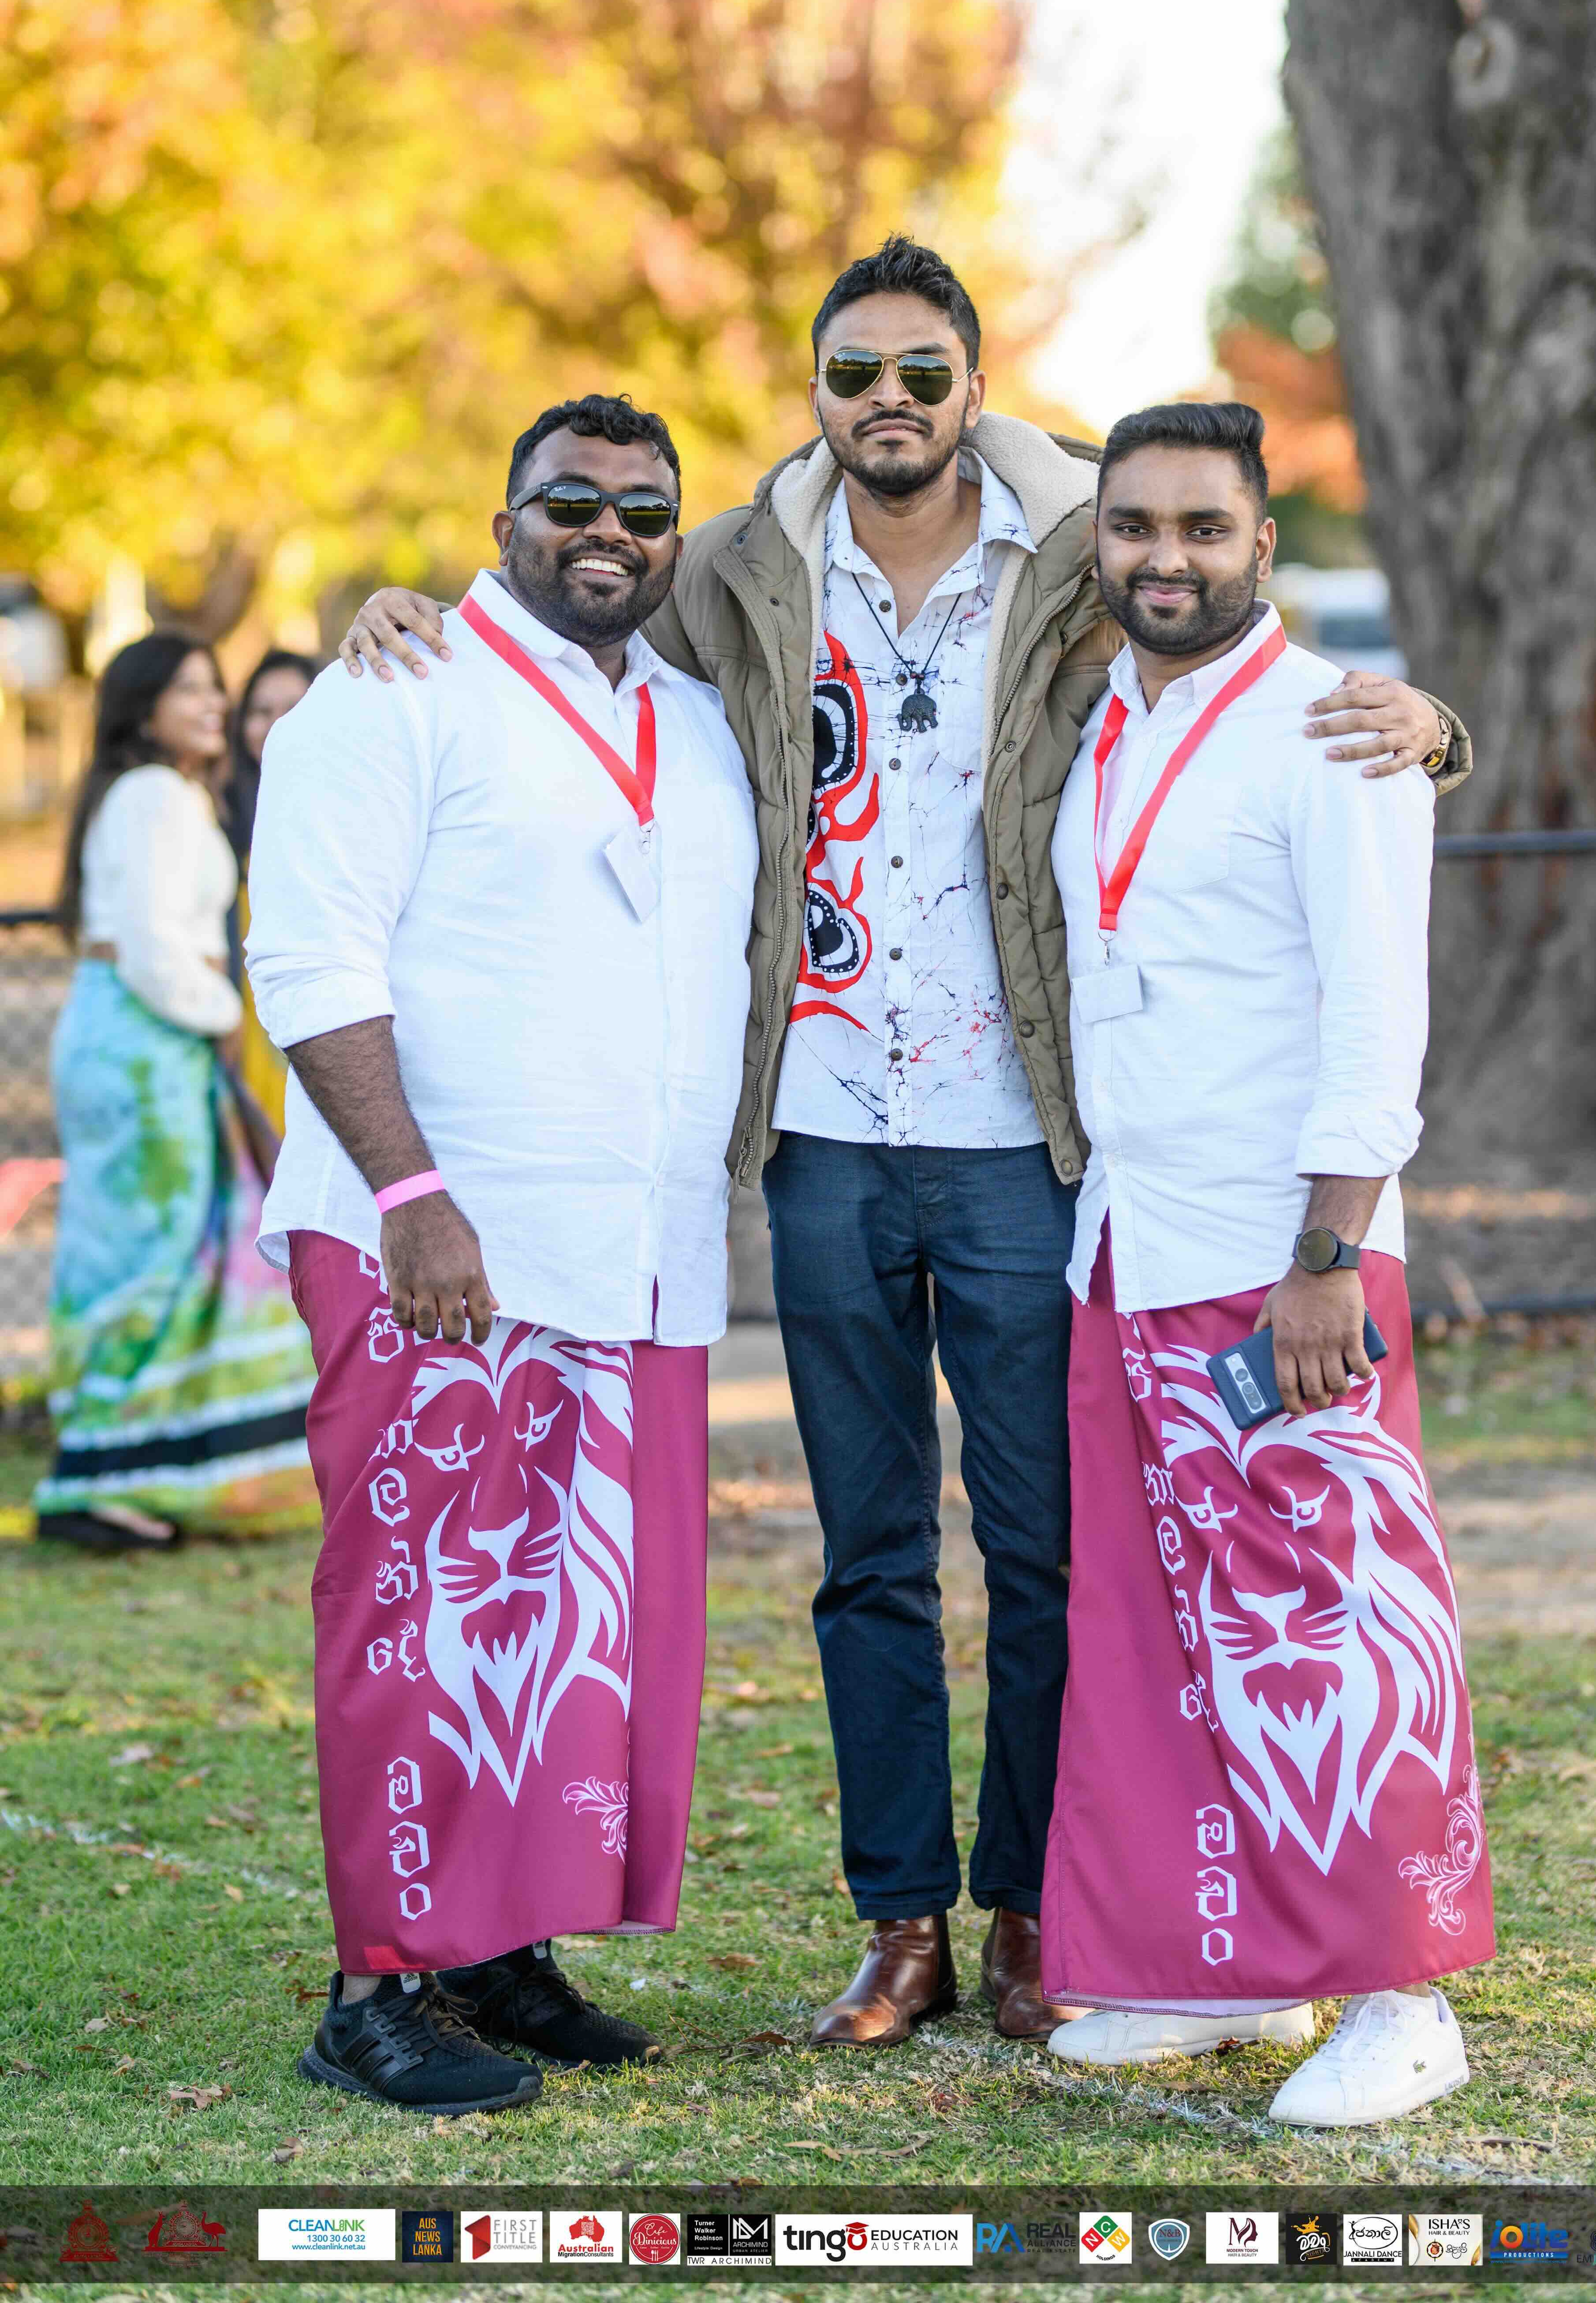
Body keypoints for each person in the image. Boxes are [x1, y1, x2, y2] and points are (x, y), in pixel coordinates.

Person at [338, 237, 1472, 2050]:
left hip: (1026, 1134)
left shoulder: (1085, 567)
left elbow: (1242, 664)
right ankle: (900, 1927)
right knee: (867, 1551)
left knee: (1046, 1543)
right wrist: (393, 610)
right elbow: (562, 591)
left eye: (923, 376)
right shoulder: (736, 573)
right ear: (815, 392)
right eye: (854, 374)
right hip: (822, 1128)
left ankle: (1032, 1911)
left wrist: (1429, 727)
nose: (889, 404)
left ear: (969, 386)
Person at [247, 393, 757, 2114]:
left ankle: (498, 1948)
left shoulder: (694, 718)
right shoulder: (391, 694)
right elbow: (310, 965)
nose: (606, 532)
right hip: (437, 1251)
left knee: (571, 1633)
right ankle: (374, 1987)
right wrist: (409, 1196)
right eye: (569, 503)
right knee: (422, 1620)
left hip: (630, 1260)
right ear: (500, 522)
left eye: (641, 510)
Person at [1039, 402, 1492, 2127]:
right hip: (1135, 1247)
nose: (1165, 556)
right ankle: (1206, 1965)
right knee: (1161, 1624)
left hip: (1284, 1259)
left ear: (1262, 547)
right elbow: (981, 437)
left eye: (1202, 529)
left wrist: (1327, 1255)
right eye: (1133, 524)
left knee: (1335, 1622)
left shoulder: (1339, 735)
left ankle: (1400, 1992)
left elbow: (1382, 1019)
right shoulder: (1110, 724)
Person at [34, 634, 318, 1551]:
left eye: (215, 688)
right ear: (141, 704)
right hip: (148, 1038)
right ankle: (98, 1477)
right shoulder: (154, 795)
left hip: (144, 1034)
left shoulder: (159, 794)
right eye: (189, 690)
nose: (212, 704)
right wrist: (216, 1014)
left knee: (157, 1248)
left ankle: (133, 1467)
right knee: (147, 1255)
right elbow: (157, 946)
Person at [223, 649, 321, 1137]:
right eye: (261, 712)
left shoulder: (347, 822)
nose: (276, 725)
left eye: (293, 707)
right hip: (236, 1042)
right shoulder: (219, 818)